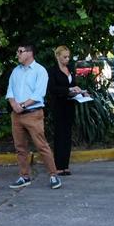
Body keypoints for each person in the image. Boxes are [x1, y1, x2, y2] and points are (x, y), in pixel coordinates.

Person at [6, 42, 61, 189]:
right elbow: (10, 91)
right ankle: (24, 176)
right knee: (20, 147)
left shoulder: (40, 70)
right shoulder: (16, 71)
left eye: (20, 51)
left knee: (41, 145)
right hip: (16, 115)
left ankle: (53, 175)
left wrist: (22, 105)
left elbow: (38, 94)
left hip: (33, 114)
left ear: (29, 53)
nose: (17, 54)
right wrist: (14, 105)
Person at [48, 45, 83, 175]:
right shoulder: (52, 71)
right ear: (57, 56)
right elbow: (52, 88)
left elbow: (73, 85)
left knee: (67, 135)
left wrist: (79, 91)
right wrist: (68, 90)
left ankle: (65, 165)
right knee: (59, 135)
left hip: (69, 105)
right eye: (65, 57)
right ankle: (58, 165)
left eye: (68, 57)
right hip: (58, 105)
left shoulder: (70, 69)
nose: (67, 59)